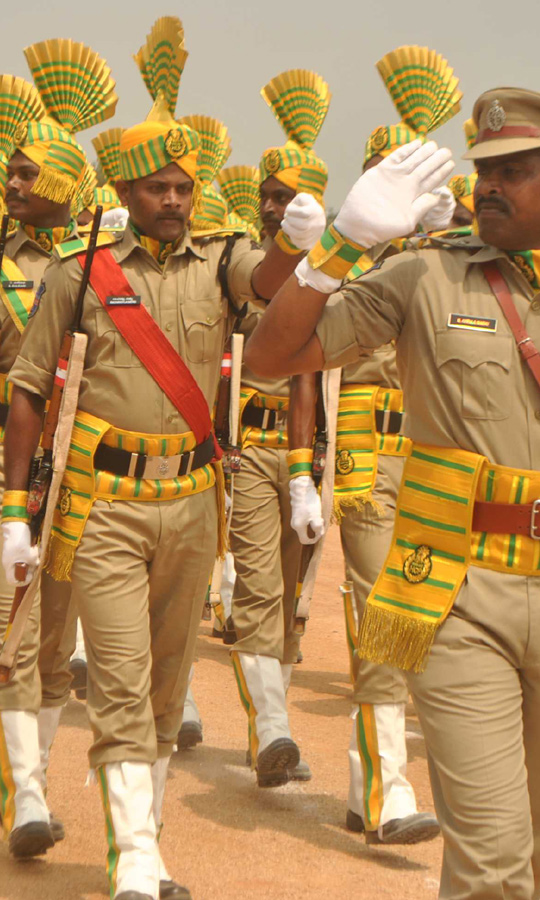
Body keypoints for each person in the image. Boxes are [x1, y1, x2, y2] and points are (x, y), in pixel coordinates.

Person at [246, 88, 540, 900]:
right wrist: (342, 242)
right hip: (452, 587)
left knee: (532, 857)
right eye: (482, 169)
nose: (488, 185)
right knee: (493, 865)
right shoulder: (422, 279)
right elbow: (274, 354)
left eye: (513, 170)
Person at [2, 17, 313, 899]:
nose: (175, 200)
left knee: (172, 682)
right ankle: (135, 857)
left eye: (184, 187)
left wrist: (302, 244)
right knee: (123, 675)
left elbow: (273, 301)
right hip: (102, 503)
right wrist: (21, 508)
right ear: (126, 193)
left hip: (195, 500)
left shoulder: (223, 262)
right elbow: (31, 387)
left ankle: (143, 834)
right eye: (157, 188)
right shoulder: (81, 270)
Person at [0, 44, 117, 846]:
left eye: (27, 175)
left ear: (67, 187)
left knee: (54, 641)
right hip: (7, 467)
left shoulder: (100, 269)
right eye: (10, 174)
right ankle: (28, 798)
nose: (12, 187)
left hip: (81, 475)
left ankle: (31, 780)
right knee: (4, 620)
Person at [288, 44, 461, 845]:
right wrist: (376, 240)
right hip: (368, 438)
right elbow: (309, 334)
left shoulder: (461, 257)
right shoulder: (357, 253)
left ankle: (376, 784)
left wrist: (447, 238)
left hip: (445, 449)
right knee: (382, 605)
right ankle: (387, 786)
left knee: (442, 614)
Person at [228, 65, 332, 789]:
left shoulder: (327, 272)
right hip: (240, 450)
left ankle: (273, 723)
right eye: (267, 196)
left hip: (302, 451)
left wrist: (304, 468)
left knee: (293, 602)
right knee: (259, 590)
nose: (272, 209)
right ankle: (272, 728)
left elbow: (306, 371)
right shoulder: (236, 266)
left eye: (287, 198)